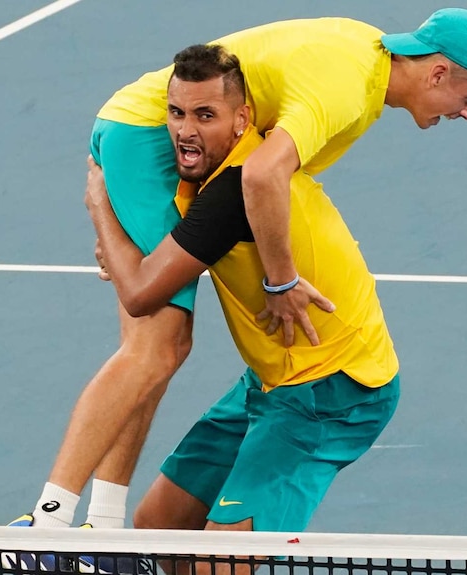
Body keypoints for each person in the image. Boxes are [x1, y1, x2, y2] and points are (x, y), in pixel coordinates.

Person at [8, 7, 467, 536]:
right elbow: (261, 177)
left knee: (163, 363)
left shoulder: (365, 54)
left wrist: (111, 222)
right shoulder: (323, 107)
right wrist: (282, 282)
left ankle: (100, 527)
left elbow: (246, 191)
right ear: (436, 72)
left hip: (328, 382)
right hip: (139, 136)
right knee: (157, 346)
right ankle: (52, 521)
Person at [86, 44, 400, 570]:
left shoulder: (232, 190)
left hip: (334, 392)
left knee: (221, 560)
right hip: (270, 383)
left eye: (205, 115)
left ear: (242, 119)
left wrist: (99, 204)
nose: (186, 130)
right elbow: (160, 255)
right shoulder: (207, 177)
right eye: (177, 113)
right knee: (159, 526)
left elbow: (142, 294)